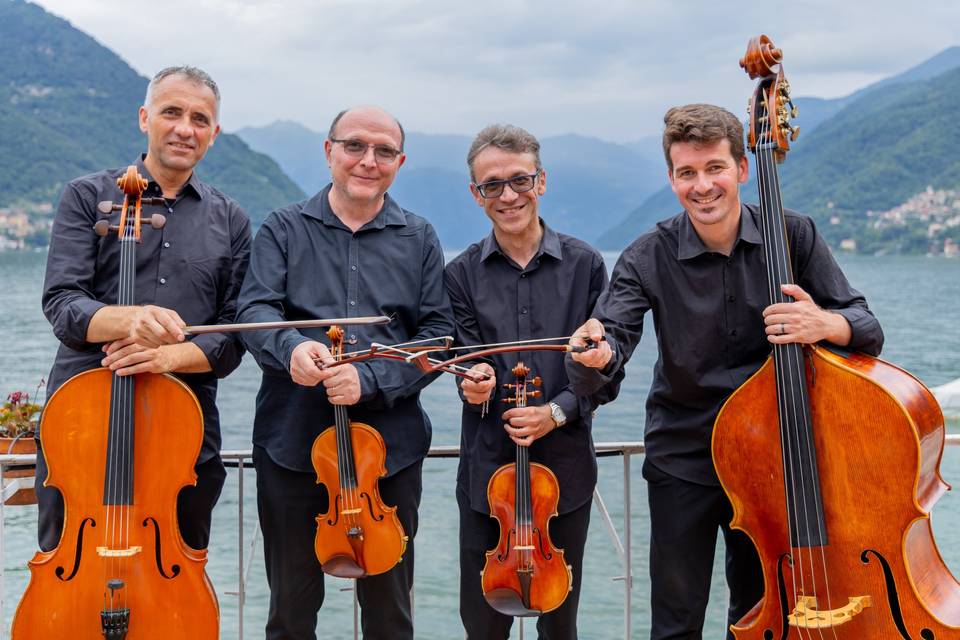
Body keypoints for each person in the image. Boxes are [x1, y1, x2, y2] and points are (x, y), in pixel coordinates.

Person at [566, 103, 884, 639]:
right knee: (676, 619)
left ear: (741, 167)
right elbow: (611, 335)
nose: (702, 185)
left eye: (714, 168)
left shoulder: (795, 235)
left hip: (776, 460)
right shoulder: (647, 255)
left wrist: (823, 322)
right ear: (671, 179)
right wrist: (596, 354)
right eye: (687, 173)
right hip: (683, 457)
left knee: (761, 613)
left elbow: (865, 326)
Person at [236, 105, 455, 640]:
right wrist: (291, 348)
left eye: (383, 151)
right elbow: (254, 311)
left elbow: (439, 337)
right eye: (355, 145)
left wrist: (373, 379)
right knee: (291, 610)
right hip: (292, 447)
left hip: (389, 455)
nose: (368, 160)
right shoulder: (283, 228)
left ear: (399, 161)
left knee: (389, 613)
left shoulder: (419, 237)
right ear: (329, 150)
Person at [39, 65, 251, 553]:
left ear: (214, 134)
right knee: (67, 565)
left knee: (177, 569)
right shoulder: (87, 196)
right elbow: (63, 304)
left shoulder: (232, 219)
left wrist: (168, 358)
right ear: (144, 117)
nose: (184, 128)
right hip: (83, 422)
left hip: (184, 433)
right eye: (171, 112)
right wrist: (128, 318)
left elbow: (232, 338)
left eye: (200, 119)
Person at [445, 124, 613, 639]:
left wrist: (556, 413)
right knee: (482, 625)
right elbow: (469, 364)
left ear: (542, 182)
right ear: (477, 196)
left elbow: (605, 370)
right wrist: (473, 388)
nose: (508, 195)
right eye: (492, 185)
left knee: (560, 626)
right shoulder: (460, 275)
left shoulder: (585, 265)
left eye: (520, 180)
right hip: (487, 478)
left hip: (563, 476)